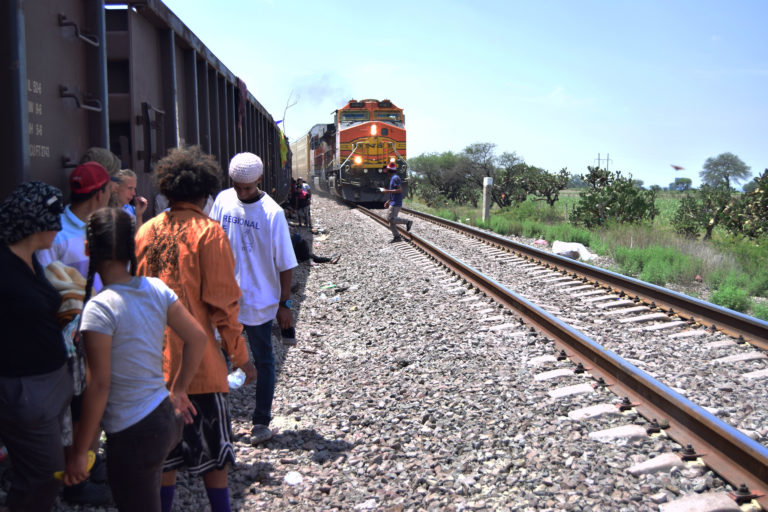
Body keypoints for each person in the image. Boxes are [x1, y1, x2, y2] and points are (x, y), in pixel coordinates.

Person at [134, 146, 256, 512]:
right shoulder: (209, 233)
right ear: (205, 193)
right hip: (199, 368)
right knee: (214, 457)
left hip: (154, 368)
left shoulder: (145, 232)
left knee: (164, 458)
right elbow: (223, 306)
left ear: (166, 190)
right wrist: (241, 358)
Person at [63, 208, 206, 511]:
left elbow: (99, 385)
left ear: (89, 248)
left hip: (133, 432)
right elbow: (198, 338)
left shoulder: (99, 308)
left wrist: (79, 451)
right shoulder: (155, 288)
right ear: (131, 248)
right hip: (165, 418)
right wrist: (179, 389)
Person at [35, 161, 114, 506]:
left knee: (95, 402)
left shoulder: (100, 226)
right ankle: (75, 481)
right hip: (71, 336)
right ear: (99, 193)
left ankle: (90, 462)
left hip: (100, 326)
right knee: (77, 407)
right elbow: (47, 284)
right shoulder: (58, 235)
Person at [209, 152, 298, 444]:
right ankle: (219, 421)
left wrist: (285, 305)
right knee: (217, 359)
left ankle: (261, 421)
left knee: (264, 361)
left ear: (259, 180)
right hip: (225, 300)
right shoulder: (223, 200)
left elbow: (286, 264)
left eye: (247, 187)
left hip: (260, 302)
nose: (242, 192)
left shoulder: (272, 213)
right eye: (237, 186)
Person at [0, 182, 73, 511]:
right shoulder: (4, 268)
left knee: (41, 471)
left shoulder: (31, 261)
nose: (57, 231)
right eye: (53, 222)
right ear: (36, 223)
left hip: (49, 385)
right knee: (45, 474)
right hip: (24, 388)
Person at [380, 161, 413, 242]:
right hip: (393, 201)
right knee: (391, 222)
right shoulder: (393, 178)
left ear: (390, 171)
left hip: (396, 203)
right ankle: (397, 237)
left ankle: (407, 222)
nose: (386, 171)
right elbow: (393, 192)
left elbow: (399, 190)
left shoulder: (395, 178)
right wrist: (388, 201)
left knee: (390, 218)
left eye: (387, 170)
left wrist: (387, 190)